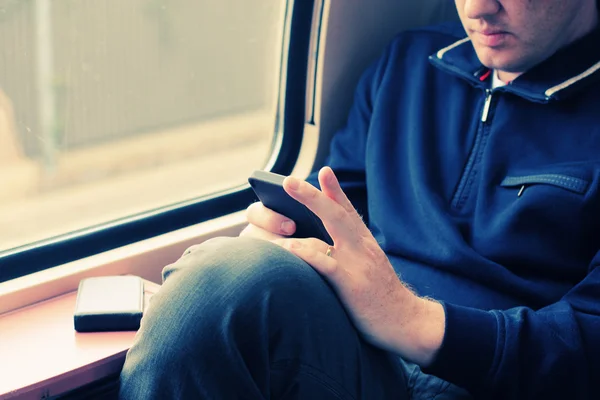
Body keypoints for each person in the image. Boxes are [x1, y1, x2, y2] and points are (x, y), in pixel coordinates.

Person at [119, 0, 600, 398]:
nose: (477, 8)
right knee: (221, 285)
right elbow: (338, 206)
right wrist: (283, 236)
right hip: (372, 359)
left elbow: (589, 342)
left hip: (504, 379)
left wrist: (409, 320)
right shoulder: (408, 64)